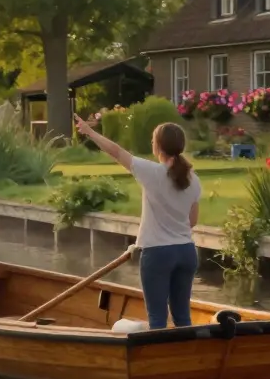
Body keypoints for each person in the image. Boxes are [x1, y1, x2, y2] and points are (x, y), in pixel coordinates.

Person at [73, 114, 201, 329]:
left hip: (158, 254)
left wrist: (90, 132)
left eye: (153, 141)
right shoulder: (193, 178)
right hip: (187, 252)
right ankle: (183, 360)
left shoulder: (152, 172)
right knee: (182, 318)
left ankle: (158, 362)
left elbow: (116, 152)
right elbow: (193, 221)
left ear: (158, 146)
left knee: (158, 319)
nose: (152, 144)